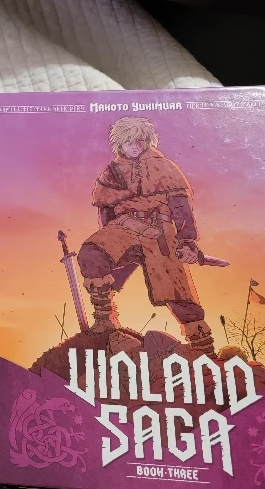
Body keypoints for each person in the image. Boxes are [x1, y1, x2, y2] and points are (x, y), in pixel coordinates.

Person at [77, 116, 215, 357]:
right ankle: (105, 319)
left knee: (175, 288)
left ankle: (203, 348)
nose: (134, 146)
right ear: (120, 143)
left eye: (139, 140)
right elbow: (106, 211)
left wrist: (186, 241)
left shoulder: (165, 167)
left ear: (147, 141)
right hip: (124, 228)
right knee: (91, 252)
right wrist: (109, 238)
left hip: (159, 231)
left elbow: (180, 207)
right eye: (129, 141)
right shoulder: (111, 173)